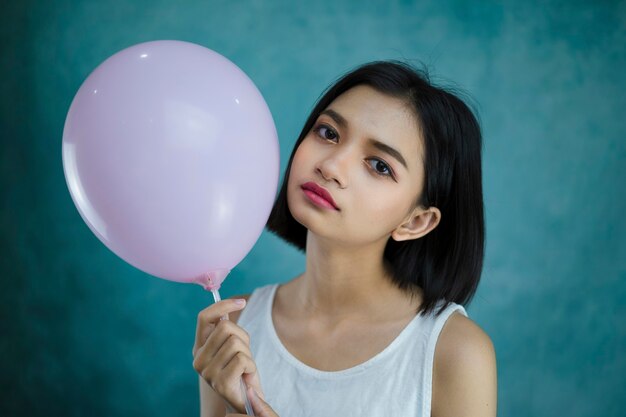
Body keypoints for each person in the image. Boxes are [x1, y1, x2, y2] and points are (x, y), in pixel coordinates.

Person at [192, 61, 497, 417]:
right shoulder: (234, 327)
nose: (331, 166)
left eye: (380, 165)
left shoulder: (455, 353)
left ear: (416, 222)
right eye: (328, 133)